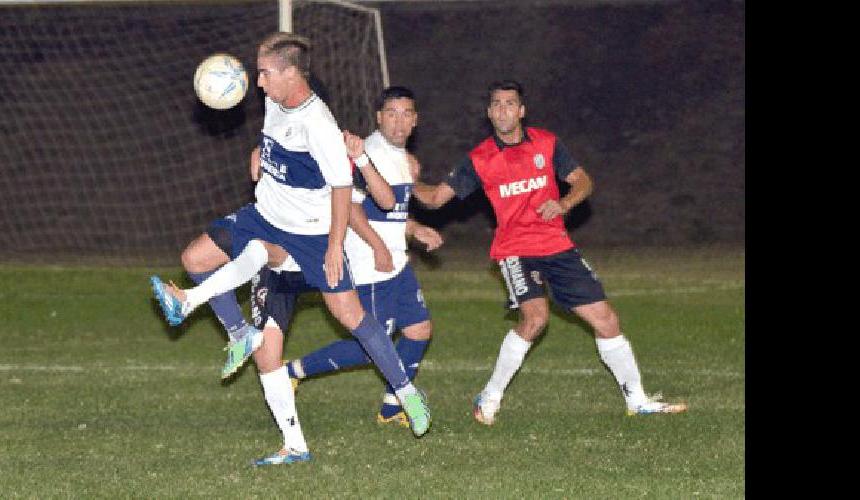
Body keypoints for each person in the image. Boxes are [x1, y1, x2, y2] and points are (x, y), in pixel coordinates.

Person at [150, 32, 431, 466]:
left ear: (290, 74)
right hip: (265, 216)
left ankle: (407, 393)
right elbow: (273, 138)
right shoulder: (273, 102)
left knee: (350, 316)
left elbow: (341, 188)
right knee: (196, 260)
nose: (257, 82)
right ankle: (286, 429)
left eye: (264, 72)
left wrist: (336, 245)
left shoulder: (317, 122)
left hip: (312, 234)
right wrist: (260, 151)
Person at [411, 79, 687, 423]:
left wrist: (564, 202)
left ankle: (637, 399)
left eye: (510, 104)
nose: (503, 110)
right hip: (515, 250)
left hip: (557, 246)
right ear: (489, 113)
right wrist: (405, 180)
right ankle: (490, 396)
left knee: (607, 320)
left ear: (521, 110)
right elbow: (435, 199)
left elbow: (583, 181)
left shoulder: (547, 144)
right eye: (496, 104)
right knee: (536, 318)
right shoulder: (480, 159)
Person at [276, 86, 441, 428]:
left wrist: (413, 229)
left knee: (419, 329)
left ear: (415, 121)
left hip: (397, 264)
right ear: (379, 118)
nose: (398, 121)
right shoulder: (369, 153)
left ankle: (392, 407)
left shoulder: (402, 159)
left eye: (406, 114)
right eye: (391, 113)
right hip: (370, 265)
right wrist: (378, 246)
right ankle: (293, 371)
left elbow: (389, 211)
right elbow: (350, 209)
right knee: (372, 344)